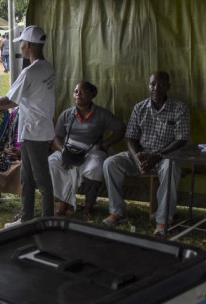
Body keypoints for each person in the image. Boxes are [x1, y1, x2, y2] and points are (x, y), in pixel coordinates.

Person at [0, 26, 56, 227]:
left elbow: (9, 98)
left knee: (41, 180)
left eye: (23, 43)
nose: (22, 47)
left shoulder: (30, 71)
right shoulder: (47, 68)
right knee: (27, 177)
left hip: (34, 132)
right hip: (36, 130)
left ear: (31, 45)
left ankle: (48, 221)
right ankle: (26, 217)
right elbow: (17, 101)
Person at [102, 71, 190, 236]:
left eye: (160, 84)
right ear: (148, 86)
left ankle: (163, 221)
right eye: (152, 84)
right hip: (142, 155)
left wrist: (157, 156)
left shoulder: (179, 108)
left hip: (165, 156)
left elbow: (182, 139)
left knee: (171, 167)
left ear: (168, 87)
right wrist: (137, 158)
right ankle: (118, 212)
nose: (155, 88)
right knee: (110, 163)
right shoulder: (140, 108)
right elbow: (131, 137)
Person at [49, 81, 125, 216]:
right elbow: (57, 136)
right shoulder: (67, 114)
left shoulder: (101, 114)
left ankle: (89, 204)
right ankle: (64, 203)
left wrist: (106, 144)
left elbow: (121, 128)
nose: (78, 94)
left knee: (95, 168)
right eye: (76, 91)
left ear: (92, 95)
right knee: (53, 162)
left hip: (92, 151)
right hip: (68, 150)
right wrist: (64, 152)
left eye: (83, 92)